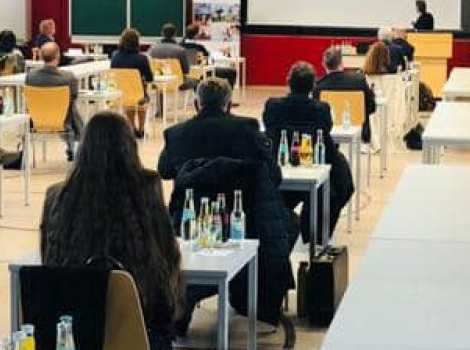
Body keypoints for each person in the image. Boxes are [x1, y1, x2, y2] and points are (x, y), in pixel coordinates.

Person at [41, 112, 182, 350]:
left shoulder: (57, 197)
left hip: (74, 348)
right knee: (159, 321)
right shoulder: (147, 189)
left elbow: (49, 266)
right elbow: (166, 256)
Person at [157, 77, 295, 328]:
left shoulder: (176, 134)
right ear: (229, 104)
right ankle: (248, 289)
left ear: (196, 104)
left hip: (192, 219)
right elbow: (274, 176)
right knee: (291, 222)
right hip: (247, 219)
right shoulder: (248, 129)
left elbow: (165, 171)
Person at [263, 62, 354, 241]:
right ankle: (316, 232)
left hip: (278, 164)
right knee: (343, 177)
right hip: (315, 162)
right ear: (313, 85)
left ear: (288, 81)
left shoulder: (273, 106)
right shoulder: (322, 109)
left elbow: (268, 128)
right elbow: (326, 131)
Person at [27, 41, 83, 157]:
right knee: (72, 111)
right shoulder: (68, 77)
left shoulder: (31, 77)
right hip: (63, 121)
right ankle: (77, 149)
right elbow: (74, 96)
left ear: (41, 56)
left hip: (37, 121)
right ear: (58, 56)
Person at [314, 46, 376, 143]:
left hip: (329, 132)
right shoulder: (359, 81)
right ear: (342, 63)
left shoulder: (318, 86)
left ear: (324, 64)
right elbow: (371, 107)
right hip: (358, 130)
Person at [109, 27, 156, 137]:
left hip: (121, 94)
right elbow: (150, 78)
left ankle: (132, 127)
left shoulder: (115, 57)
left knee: (129, 100)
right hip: (139, 96)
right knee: (142, 96)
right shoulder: (142, 58)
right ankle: (142, 128)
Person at [149, 23, 196, 89]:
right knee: (195, 81)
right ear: (174, 34)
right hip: (179, 83)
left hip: (158, 83)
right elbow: (186, 70)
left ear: (162, 34)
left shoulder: (152, 49)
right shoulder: (180, 50)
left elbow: (150, 68)